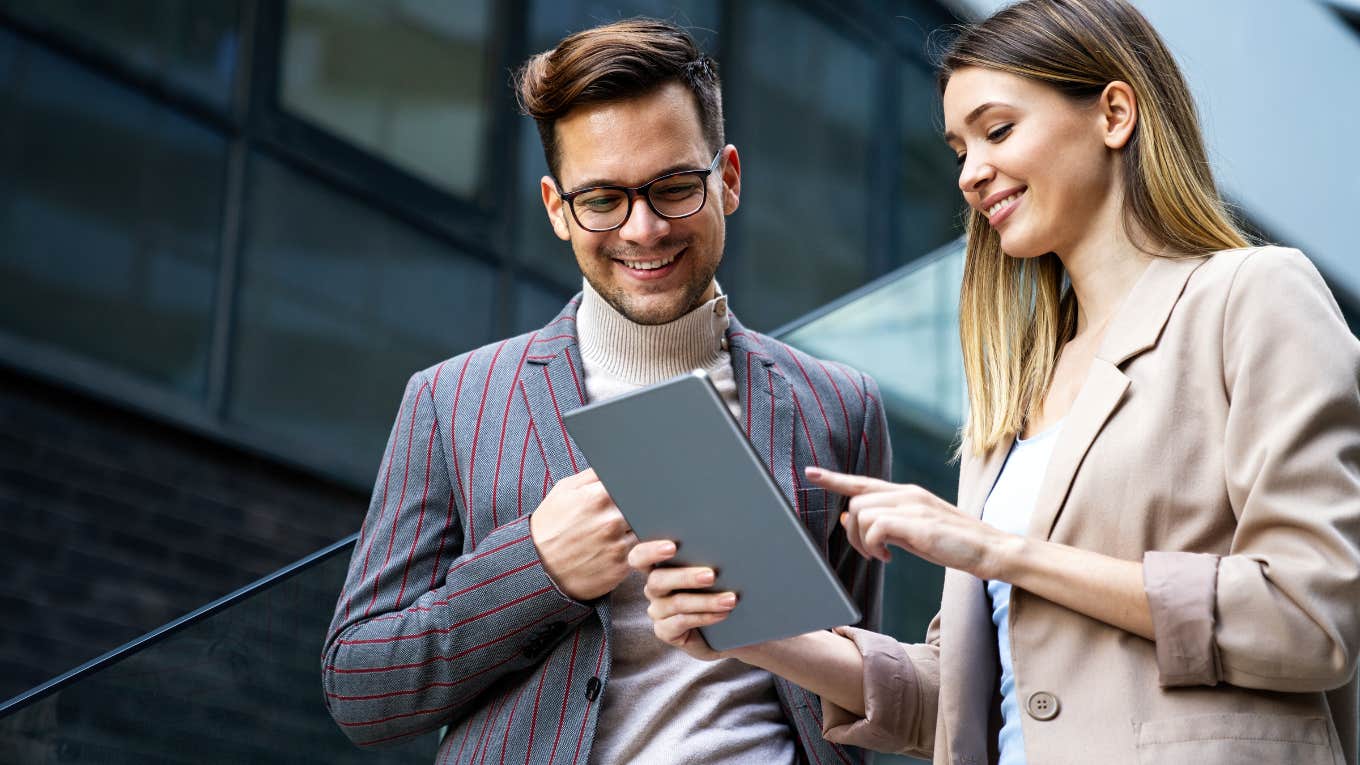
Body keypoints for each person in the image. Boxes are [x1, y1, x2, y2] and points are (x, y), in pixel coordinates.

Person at [630, 0, 1360, 763]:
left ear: (1114, 113)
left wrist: (992, 548)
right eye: (958, 149)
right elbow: (966, 696)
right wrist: (755, 630)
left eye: (998, 130)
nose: (972, 173)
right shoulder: (1017, 393)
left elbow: (1309, 618)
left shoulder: (1252, 295)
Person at [320, 18, 889, 764]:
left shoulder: (840, 405)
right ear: (558, 208)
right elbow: (360, 688)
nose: (644, 228)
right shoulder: (451, 400)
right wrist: (537, 567)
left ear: (731, 179)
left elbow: (861, 690)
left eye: (675, 187)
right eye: (603, 200)